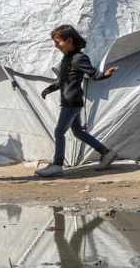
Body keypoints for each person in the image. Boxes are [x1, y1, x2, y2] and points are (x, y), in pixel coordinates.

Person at [35, 24, 119, 178]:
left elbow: (94, 74)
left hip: (71, 103)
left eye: (58, 42)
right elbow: (63, 80)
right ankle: (106, 153)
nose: (56, 46)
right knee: (78, 132)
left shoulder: (79, 58)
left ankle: (57, 165)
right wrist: (49, 89)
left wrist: (106, 74)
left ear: (69, 40)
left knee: (59, 132)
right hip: (69, 102)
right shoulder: (67, 59)